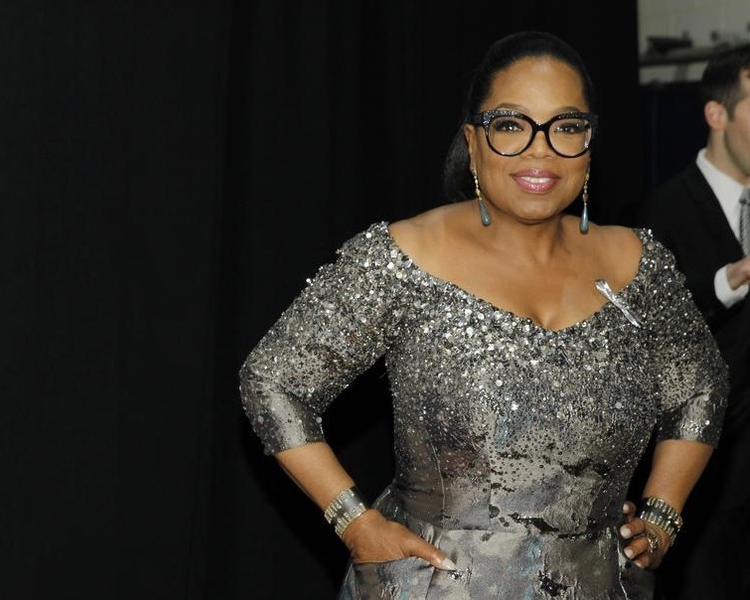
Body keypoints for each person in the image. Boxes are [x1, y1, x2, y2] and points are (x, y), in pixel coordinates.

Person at [239, 30, 728, 599]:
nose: (541, 150)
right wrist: (355, 523)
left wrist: (664, 514)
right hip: (436, 586)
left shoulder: (641, 264)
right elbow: (273, 379)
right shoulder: (402, 257)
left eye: (566, 127)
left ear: (589, 144)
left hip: (600, 584)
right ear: (473, 141)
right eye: (512, 125)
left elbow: (701, 385)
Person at [635, 43, 750, 600]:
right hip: (706, 479)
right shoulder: (661, 210)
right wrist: (733, 278)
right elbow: (652, 337)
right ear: (716, 114)